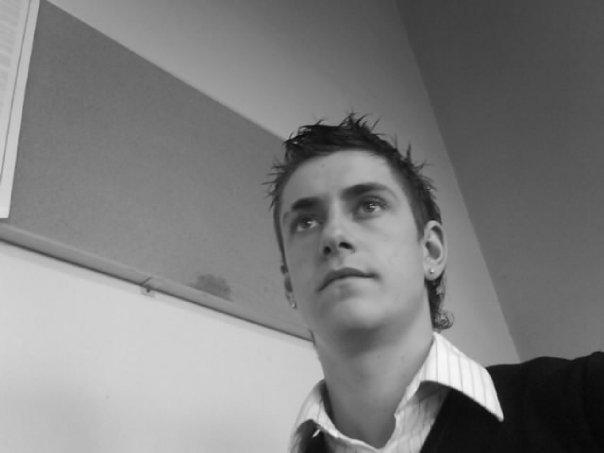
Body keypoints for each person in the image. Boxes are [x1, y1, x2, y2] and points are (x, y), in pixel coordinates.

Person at [266, 114, 604, 452]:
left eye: (369, 205)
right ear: (289, 285)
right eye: (306, 222)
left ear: (430, 250)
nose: (334, 235)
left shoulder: (582, 400)